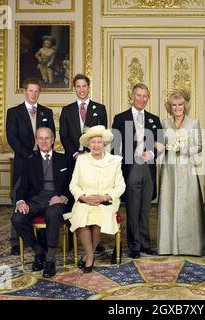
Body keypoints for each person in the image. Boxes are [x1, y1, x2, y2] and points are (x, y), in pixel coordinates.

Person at [64, 126, 126, 273]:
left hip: (106, 201)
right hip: (85, 199)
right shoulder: (82, 161)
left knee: (97, 219)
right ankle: (90, 255)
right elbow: (74, 184)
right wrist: (83, 197)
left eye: (99, 142)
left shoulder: (114, 161)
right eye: (93, 142)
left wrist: (105, 197)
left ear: (104, 144)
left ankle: (87, 256)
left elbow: (120, 186)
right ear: (88, 144)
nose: (96, 145)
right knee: (82, 220)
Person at [112, 83, 163, 259]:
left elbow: (161, 144)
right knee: (133, 208)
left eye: (145, 96)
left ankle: (145, 244)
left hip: (148, 168)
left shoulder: (154, 119)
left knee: (145, 208)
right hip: (130, 167)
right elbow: (114, 147)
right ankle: (134, 246)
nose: (142, 99)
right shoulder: (120, 118)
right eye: (138, 95)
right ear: (131, 97)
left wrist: (153, 152)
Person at [157, 91, 205, 256]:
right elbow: (161, 146)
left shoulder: (193, 123)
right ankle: (167, 246)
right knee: (169, 204)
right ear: (170, 107)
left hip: (187, 169)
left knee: (189, 204)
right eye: (174, 105)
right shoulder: (164, 123)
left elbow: (199, 146)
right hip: (169, 170)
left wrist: (186, 149)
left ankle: (191, 246)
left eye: (180, 105)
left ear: (185, 106)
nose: (177, 108)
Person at [11, 127, 70, 278]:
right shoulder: (30, 161)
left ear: (53, 140)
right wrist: (20, 201)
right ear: (36, 141)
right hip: (36, 200)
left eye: (47, 138)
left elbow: (72, 185)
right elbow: (22, 185)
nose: (44, 141)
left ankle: (50, 260)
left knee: (53, 213)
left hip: (56, 199)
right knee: (17, 217)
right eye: (40, 138)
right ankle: (39, 252)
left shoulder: (64, 159)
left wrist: (62, 197)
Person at [6, 77, 55, 256]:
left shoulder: (46, 112)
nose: (33, 94)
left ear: (39, 92)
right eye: (30, 90)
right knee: (19, 198)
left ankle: (42, 237)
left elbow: (51, 135)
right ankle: (15, 241)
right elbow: (12, 138)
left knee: (39, 196)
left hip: (42, 160)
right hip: (23, 161)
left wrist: (42, 154)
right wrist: (29, 155)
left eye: (36, 91)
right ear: (24, 91)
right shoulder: (14, 112)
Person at [59, 74, 108, 253]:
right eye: (78, 86)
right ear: (74, 88)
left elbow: (102, 135)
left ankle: (96, 241)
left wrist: (88, 154)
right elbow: (64, 135)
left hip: (93, 160)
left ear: (89, 87)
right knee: (75, 198)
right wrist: (75, 153)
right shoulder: (67, 110)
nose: (81, 89)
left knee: (94, 197)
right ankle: (73, 240)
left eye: (84, 86)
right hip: (73, 160)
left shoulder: (100, 109)